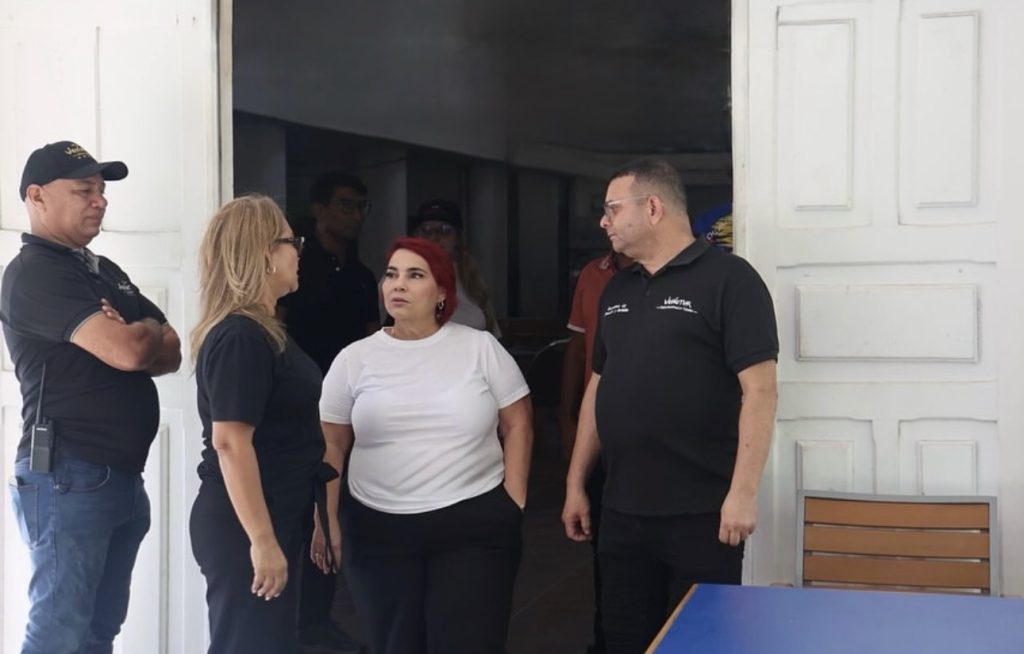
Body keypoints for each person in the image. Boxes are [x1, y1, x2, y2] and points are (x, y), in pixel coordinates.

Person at [561, 159, 779, 654]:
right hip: (622, 510)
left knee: (701, 642)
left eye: (613, 209)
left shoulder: (731, 280)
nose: (604, 222)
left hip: (701, 514)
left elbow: (761, 391)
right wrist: (576, 484)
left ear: (653, 207)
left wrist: (742, 494)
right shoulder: (618, 289)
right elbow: (598, 386)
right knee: (623, 638)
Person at [1, 141, 182, 654]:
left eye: (101, 190)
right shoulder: (36, 273)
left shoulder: (103, 270)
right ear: (36, 196)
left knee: (99, 632)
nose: (100, 200)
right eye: (84, 190)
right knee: (59, 634)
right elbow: (132, 350)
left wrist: (141, 334)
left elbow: (172, 352)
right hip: (69, 475)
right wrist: (143, 331)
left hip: (116, 477)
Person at [316, 237, 532, 654]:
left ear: (443, 293)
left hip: (472, 526)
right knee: (395, 644)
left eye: (415, 275)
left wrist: (514, 500)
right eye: (392, 274)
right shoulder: (354, 359)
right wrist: (325, 517)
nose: (398, 284)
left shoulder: (479, 347)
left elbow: (518, 421)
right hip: (377, 530)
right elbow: (332, 443)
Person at [189, 195, 336, 654]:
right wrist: (262, 539)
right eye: (293, 242)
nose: (299, 253)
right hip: (247, 523)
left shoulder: (262, 330)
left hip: (275, 512)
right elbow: (231, 442)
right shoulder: (241, 336)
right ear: (265, 253)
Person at [278, 171, 376, 652]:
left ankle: (317, 619)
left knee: (337, 511)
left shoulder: (362, 276)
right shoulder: (296, 270)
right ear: (318, 209)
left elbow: (373, 340)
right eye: (344, 205)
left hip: (351, 411)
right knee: (298, 515)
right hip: (300, 407)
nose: (354, 215)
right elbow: (277, 328)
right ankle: (289, 623)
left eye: (360, 206)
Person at [558, 246, 632, 654]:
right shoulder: (592, 274)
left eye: (615, 214)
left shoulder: (683, 275)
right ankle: (606, 639)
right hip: (598, 431)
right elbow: (577, 348)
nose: (607, 222)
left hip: (654, 440)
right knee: (605, 545)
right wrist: (566, 417)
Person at [410, 199, 501, 336]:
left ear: (457, 238)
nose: (435, 237)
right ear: (417, 237)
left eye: (445, 231)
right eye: (427, 231)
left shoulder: (469, 277)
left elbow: (493, 335)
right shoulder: (400, 278)